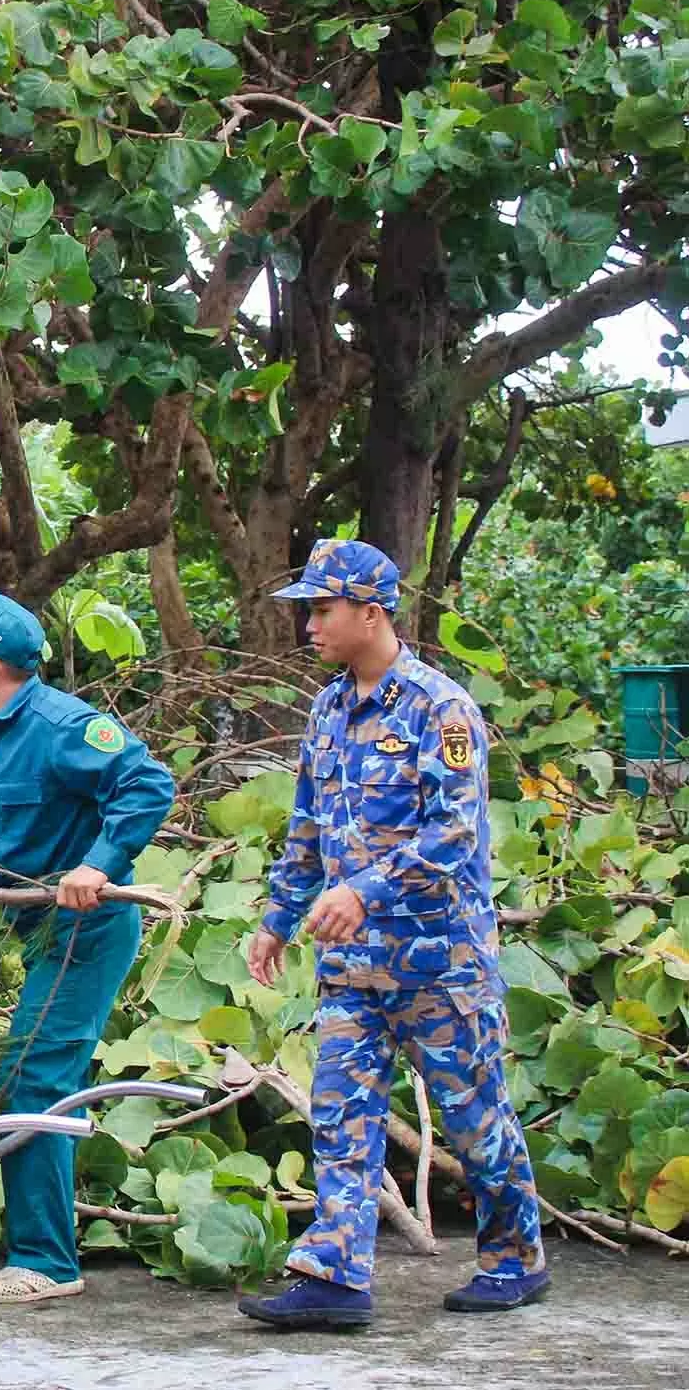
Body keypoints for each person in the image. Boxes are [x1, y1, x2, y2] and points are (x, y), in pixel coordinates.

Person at [236, 538, 547, 1328]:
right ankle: (334, 1277)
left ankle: (515, 1256)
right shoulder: (328, 707)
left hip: (438, 964)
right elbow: (307, 825)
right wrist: (276, 919)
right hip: (351, 967)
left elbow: (453, 836)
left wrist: (362, 892)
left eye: (321, 609)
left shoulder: (440, 709)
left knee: (474, 1117)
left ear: (370, 612)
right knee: (341, 1115)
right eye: (307, 609)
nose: (308, 624)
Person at [0, 593, 175, 1306]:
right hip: (36, 932)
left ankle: (46, 1262)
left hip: (84, 933)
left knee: (32, 1079)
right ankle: (42, 1249)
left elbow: (147, 784)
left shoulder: (65, 726)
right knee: (33, 1077)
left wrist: (100, 863)